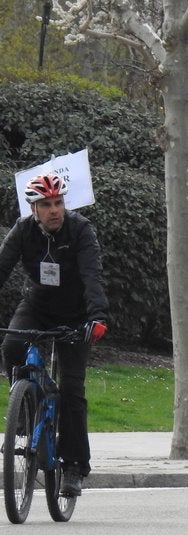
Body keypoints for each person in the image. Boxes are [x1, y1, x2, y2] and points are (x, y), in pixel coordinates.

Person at [0, 172, 109, 498]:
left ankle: (74, 465)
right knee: (12, 346)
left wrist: (97, 317)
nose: (54, 210)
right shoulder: (23, 230)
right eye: (46, 204)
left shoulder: (80, 230)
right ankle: (24, 411)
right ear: (33, 209)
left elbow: (93, 276)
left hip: (75, 315)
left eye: (58, 202)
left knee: (72, 390)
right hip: (37, 306)